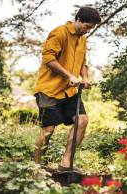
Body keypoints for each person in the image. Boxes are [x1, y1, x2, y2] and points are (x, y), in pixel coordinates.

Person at [34, 7, 101, 174]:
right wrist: (70, 75)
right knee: (48, 129)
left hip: (70, 91)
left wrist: (84, 77)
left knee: (82, 120)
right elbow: (49, 59)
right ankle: (35, 169)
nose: (88, 31)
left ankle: (65, 163)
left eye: (90, 28)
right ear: (78, 19)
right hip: (50, 89)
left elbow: (83, 62)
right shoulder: (59, 33)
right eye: (87, 26)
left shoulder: (82, 39)